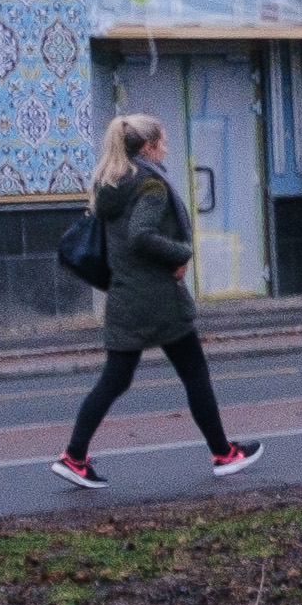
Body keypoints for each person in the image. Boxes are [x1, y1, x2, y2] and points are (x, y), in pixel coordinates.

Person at [54, 114, 263, 489]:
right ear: (148, 147)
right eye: (162, 142)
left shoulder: (112, 183)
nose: (165, 148)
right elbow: (141, 235)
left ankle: (74, 456)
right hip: (157, 298)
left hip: (125, 296)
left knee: (115, 380)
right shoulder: (150, 185)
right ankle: (223, 453)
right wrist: (181, 253)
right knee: (194, 374)